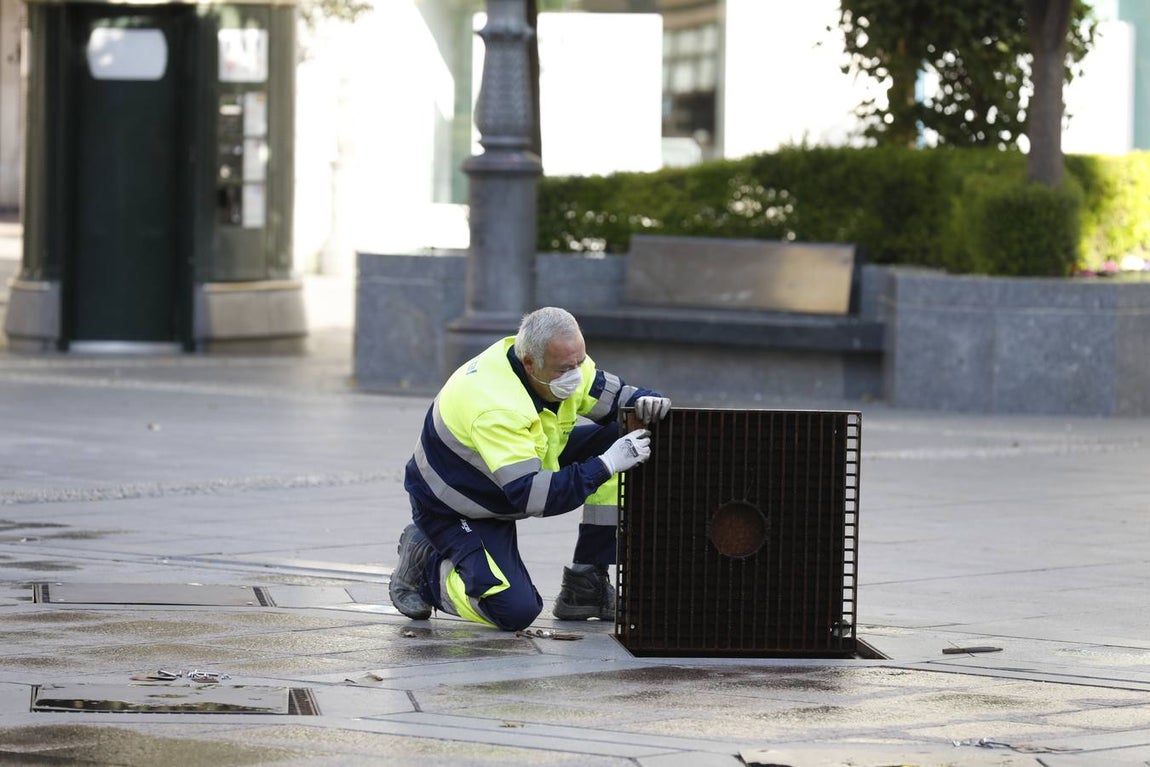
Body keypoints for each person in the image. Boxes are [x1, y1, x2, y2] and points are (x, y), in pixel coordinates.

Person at [389, 306, 671, 631]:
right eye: (566, 368)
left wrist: (648, 402)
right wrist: (606, 464)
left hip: (512, 475)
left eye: (580, 362)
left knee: (628, 433)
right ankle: (427, 569)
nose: (576, 375)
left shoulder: (561, 362)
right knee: (514, 611)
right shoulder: (496, 406)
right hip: (456, 507)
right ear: (529, 363)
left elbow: (619, 397)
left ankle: (587, 580)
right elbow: (532, 497)